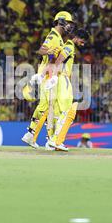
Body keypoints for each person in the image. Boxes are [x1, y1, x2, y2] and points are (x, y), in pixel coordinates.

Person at [21, 11, 75, 149]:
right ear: (61, 21)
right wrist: (49, 52)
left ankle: (35, 135)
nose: (69, 26)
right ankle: (46, 139)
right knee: (48, 107)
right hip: (47, 75)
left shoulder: (59, 37)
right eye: (68, 23)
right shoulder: (53, 35)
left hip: (49, 74)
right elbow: (41, 50)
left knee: (49, 108)